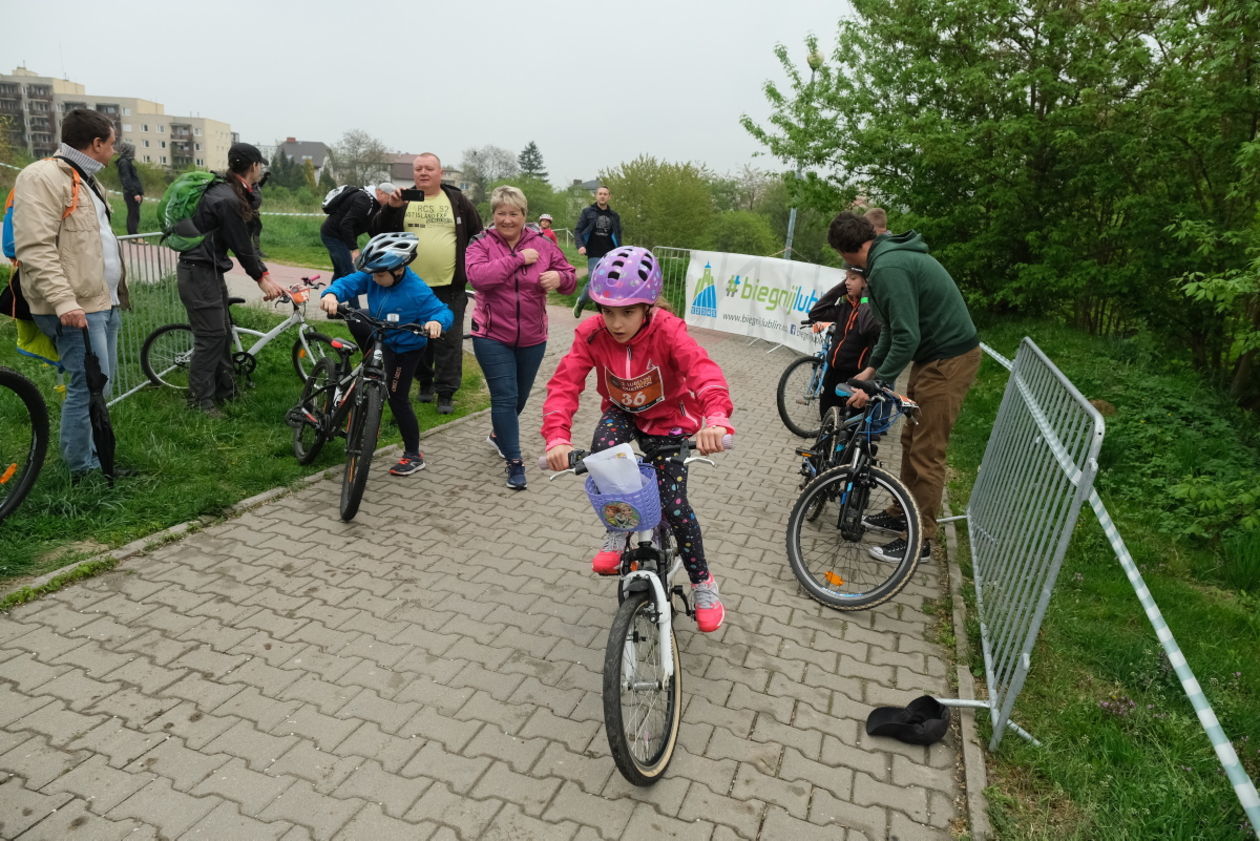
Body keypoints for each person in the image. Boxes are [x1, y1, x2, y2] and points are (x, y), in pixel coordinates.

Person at [543, 246, 734, 632]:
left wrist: (715, 418)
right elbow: (565, 385)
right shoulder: (591, 334)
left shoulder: (667, 330)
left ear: (648, 306)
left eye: (627, 312)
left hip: (670, 421)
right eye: (607, 311)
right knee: (604, 452)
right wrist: (557, 438)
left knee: (674, 506)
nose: (615, 323)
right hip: (623, 413)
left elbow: (702, 370)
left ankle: (703, 583)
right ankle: (618, 527)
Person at [827, 211, 981, 564]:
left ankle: (918, 540)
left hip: (949, 360)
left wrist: (875, 384)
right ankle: (902, 511)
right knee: (912, 439)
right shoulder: (884, 261)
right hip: (932, 359)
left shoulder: (888, 269)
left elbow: (907, 336)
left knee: (927, 449)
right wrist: (869, 371)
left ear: (846, 251)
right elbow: (892, 332)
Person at [14, 109, 129, 480]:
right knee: (85, 387)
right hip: (76, 307)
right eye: (111, 145)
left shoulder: (88, 180)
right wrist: (64, 302)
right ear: (96, 144)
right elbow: (35, 248)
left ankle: (98, 457)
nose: (114, 152)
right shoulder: (43, 176)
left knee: (100, 384)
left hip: (102, 302)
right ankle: (82, 470)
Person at [466, 186, 576, 490]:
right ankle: (515, 463)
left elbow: (570, 277)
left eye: (513, 213)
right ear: (493, 215)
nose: (507, 219)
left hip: (532, 336)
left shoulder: (543, 243)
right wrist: (516, 260)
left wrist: (560, 278)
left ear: (524, 215)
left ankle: (499, 435)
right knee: (504, 396)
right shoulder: (481, 242)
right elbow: (477, 277)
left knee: (520, 398)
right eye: (501, 213)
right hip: (491, 334)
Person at [319, 233, 453, 476]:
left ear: (399, 270)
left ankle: (413, 454)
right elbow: (349, 283)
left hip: (405, 347)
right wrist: (331, 294)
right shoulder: (375, 274)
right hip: (381, 332)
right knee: (358, 324)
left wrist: (435, 322)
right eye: (372, 274)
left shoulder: (417, 290)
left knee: (396, 396)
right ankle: (356, 382)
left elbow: (441, 311)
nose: (373, 279)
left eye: (379, 275)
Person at [177, 142, 285, 416]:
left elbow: (242, 242)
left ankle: (226, 389)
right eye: (260, 165)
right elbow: (241, 244)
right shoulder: (227, 199)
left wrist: (263, 274)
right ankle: (200, 403)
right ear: (254, 167)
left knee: (222, 332)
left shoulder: (229, 192)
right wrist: (261, 278)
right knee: (210, 337)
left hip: (207, 271)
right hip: (199, 272)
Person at [371, 153, 483, 415]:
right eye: (418, 168)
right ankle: (424, 381)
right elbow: (377, 231)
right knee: (414, 335)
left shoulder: (457, 200)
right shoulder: (403, 198)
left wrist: (474, 268)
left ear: (440, 172)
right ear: (413, 173)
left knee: (449, 340)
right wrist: (391, 207)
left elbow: (478, 235)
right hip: (410, 286)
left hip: (450, 287)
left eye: (429, 168)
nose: (423, 172)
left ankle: (446, 392)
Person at [807, 264, 881, 419]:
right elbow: (816, 312)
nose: (847, 282)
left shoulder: (873, 308)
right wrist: (841, 288)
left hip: (855, 377)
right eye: (845, 278)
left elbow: (867, 327)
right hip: (833, 372)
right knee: (826, 421)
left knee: (847, 429)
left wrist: (866, 295)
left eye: (853, 278)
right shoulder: (844, 307)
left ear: (866, 282)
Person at [322, 183, 394, 280]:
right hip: (333, 236)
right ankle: (350, 295)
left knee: (340, 273)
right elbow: (345, 224)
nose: (391, 202)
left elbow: (370, 226)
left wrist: (381, 243)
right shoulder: (364, 201)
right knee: (349, 274)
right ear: (380, 193)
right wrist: (354, 249)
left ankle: (331, 295)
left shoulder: (374, 204)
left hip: (340, 236)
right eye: (390, 198)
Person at [571, 185, 621, 317]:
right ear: (596, 196)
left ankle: (605, 312)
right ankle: (581, 302)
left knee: (611, 281)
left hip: (611, 254)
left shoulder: (614, 216)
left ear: (609, 197)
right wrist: (580, 245)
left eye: (605, 194)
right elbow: (577, 230)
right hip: (594, 252)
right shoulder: (588, 212)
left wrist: (620, 251)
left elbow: (618, 235)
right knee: (594, 281)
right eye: (600, 193)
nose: (603, 196)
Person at [115, 141, 144, 236]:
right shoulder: (124, 163)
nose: (134, 152)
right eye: (132, 150)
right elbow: (126, 179)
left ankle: (134, 234)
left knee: (135, 214)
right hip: (130, 193)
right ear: (128, 151)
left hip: (133, 193)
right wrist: (135, 193)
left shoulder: (127, 162)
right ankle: (133, 235)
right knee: (133, 214)